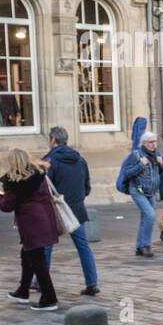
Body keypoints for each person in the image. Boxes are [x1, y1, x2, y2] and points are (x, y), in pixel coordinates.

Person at [0, 148, 60, 311]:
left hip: (31, 224)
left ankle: (49, 298)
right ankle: (23, 290)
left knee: (37, 261)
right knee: (27, 255)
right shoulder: (39, 173)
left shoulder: (15, 182)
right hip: (45, 219)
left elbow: (6, 206)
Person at [42, 127, 99, 296]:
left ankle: (40, 280)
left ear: (53, 140)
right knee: (83, 246)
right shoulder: (80, 159)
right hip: (76, 209)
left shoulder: (49, 161)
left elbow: (43, 188)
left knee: (46, 245)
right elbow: (87, 187)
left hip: (55, 209)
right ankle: (92, 282)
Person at [118, 122, 162, 258]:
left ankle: (139, 247)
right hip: (137, 190)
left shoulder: (156, 154)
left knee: (145, 219)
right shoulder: (136, 155)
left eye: (155, 141)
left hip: (151, 191)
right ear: (144, 143)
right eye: (150, 142)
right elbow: (127, 172)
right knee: (150, 215)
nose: (153, 144)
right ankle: (146, 245)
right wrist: (140, 165)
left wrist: (162, 165)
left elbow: (158, 174)